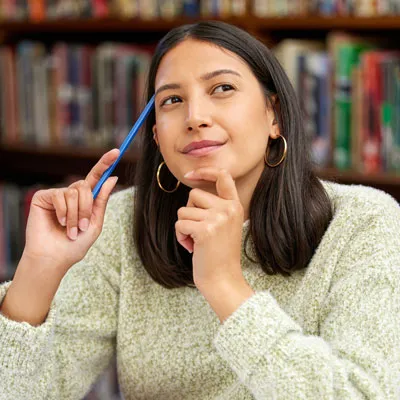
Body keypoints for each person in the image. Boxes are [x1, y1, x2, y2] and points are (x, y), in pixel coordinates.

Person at [0, 20, 399, 400]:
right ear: (156, 134)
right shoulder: (121, 224)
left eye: (222, 88)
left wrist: (226, 285)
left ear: (273, 113)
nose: (195, 118)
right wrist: (39, 269)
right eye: (172, 100)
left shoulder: (363, 222)